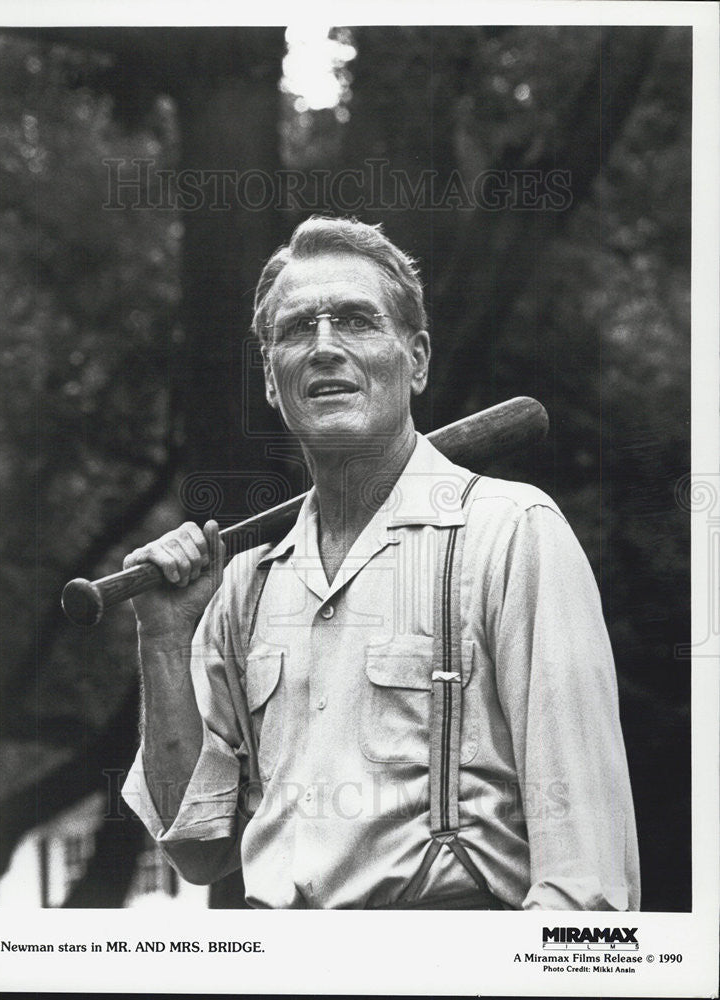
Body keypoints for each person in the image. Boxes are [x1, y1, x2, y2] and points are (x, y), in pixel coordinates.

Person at [121, 215, 640, 910]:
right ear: (273, 382)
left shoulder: (510, 534)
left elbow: (589, 874)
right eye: (298, 328)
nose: (326, 346)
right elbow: (197, 849)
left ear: (416, 359)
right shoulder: (246, 585)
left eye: (358, 321)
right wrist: (162, 637)